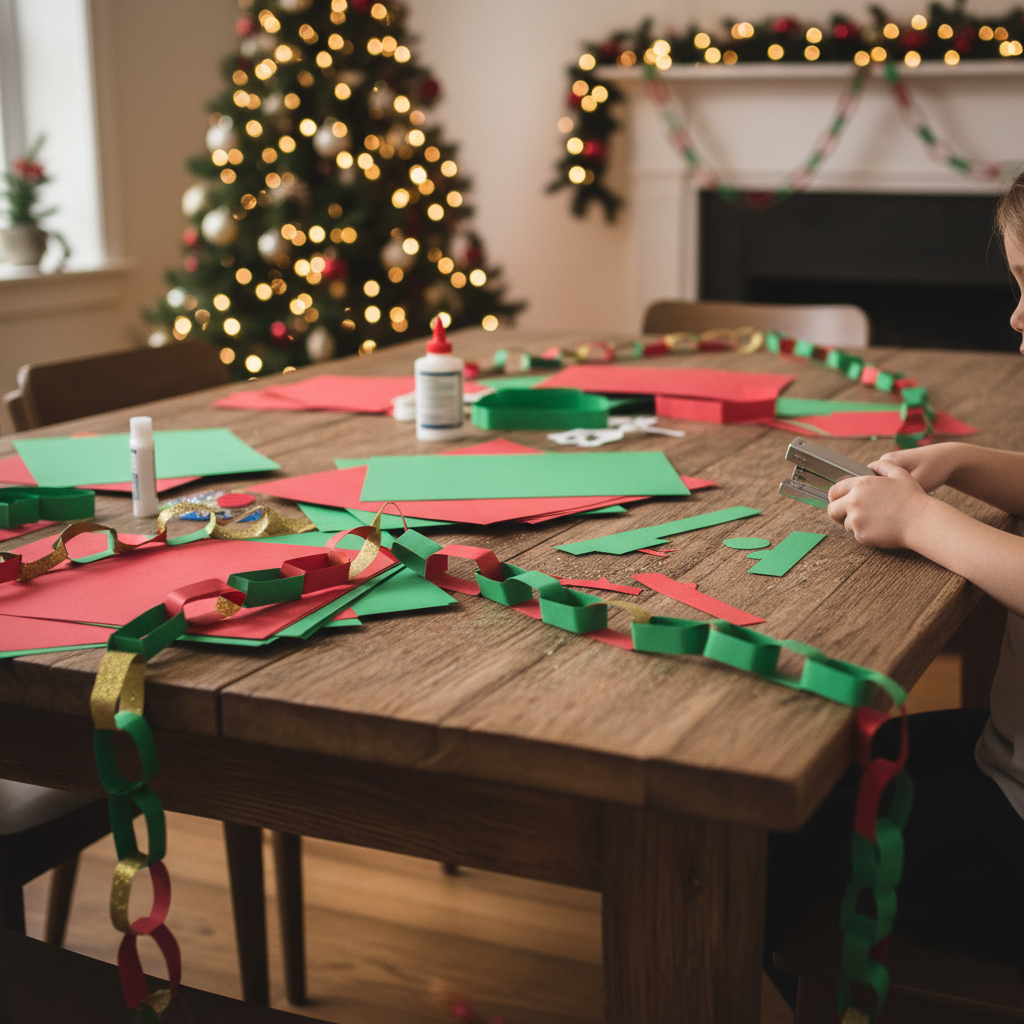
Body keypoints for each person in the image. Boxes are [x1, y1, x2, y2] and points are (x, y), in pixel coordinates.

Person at [764, 171, 1024, 1008]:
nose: (1017, 317)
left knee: (762, 841)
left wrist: (917, 522)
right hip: (1008, 759)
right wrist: (958, 462)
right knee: (812, 773)